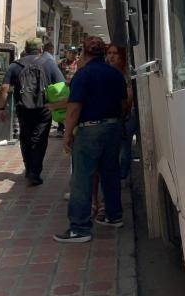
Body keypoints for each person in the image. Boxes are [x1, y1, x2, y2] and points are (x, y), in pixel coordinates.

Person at [54, 36, 127, 243]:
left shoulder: (83, 75)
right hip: (113, 127)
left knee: (82, 178)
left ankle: (79, 228)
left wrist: (67, 134)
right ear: (103, 53)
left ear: (84, 54)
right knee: (110, 173)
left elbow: (74, 108)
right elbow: (123, 104)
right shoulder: (115, 74)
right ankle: (114, 216)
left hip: (90, 130)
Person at [0, 38, 65, 186]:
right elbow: (61, 85)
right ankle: (35, 172)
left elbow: (4, 88)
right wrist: (59, 105)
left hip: (23, 108)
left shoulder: (15, 65)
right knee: (40, 139)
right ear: (41, 49)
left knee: (25, 137)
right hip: (44, 108)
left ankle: (28, 168)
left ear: (26, 49)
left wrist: (1, 108)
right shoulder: (49, 64)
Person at [106, 44, 137, 180]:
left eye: (115, 53)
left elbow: (129, 96)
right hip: (112, 115)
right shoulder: (106, 71)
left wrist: (124, 113)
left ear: (121, 56)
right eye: (109, 53)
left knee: (124, 146)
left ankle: (122, 176)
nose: (111, 56)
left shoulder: (126, 73)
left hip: (126, 115)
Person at [55, 46, 79, 137]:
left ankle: (72, 128)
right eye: (70, 52)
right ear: (66, 53)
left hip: (74, 89)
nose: (72, 55)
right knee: (62, 109)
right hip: (63, 89)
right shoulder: (61, 63)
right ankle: (60, 128)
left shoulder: (78, 63)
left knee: (72, 109)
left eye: (74, 53)